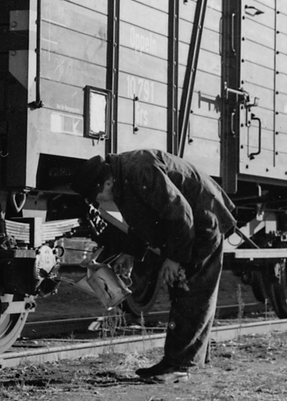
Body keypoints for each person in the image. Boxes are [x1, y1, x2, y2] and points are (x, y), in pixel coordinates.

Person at [69, 149, 236, 383]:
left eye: (96, 196)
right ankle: (184, 360)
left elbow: (180, 212)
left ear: (106, 182)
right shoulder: (123, 178)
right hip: (190, 222)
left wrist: (175, 258)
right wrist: (131, 252)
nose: (99, 201)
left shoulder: (139, 170)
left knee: (190, 288)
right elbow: (144, 219)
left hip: (204, 220)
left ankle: (179, 367)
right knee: (184, 291)